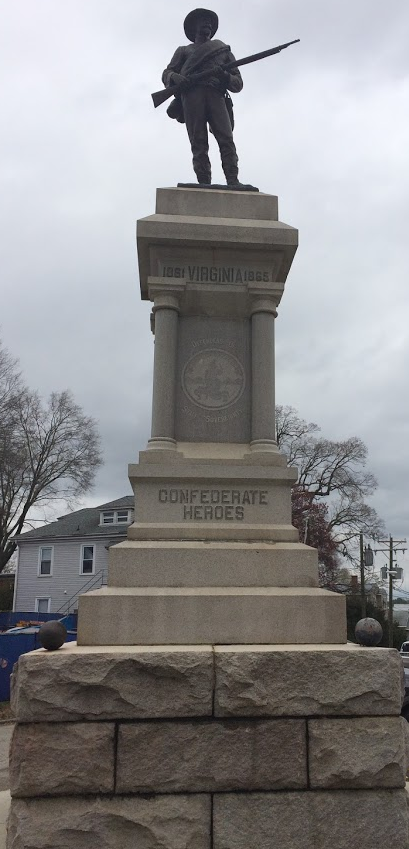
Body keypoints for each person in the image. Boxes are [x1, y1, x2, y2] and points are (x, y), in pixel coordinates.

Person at [162, 8, 243, 186]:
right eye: (203, 20)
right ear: (194, 26)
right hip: (192, 97)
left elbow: (238, 83)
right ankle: (203, 182)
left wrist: (224, 76)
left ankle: (233, 180)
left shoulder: (222, 51)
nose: (208, 23)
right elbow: (167, 73)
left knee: (226, 139)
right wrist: (175, 77)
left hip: (216, 95)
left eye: (209, 21)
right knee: (198, 142)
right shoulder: (183, 51)